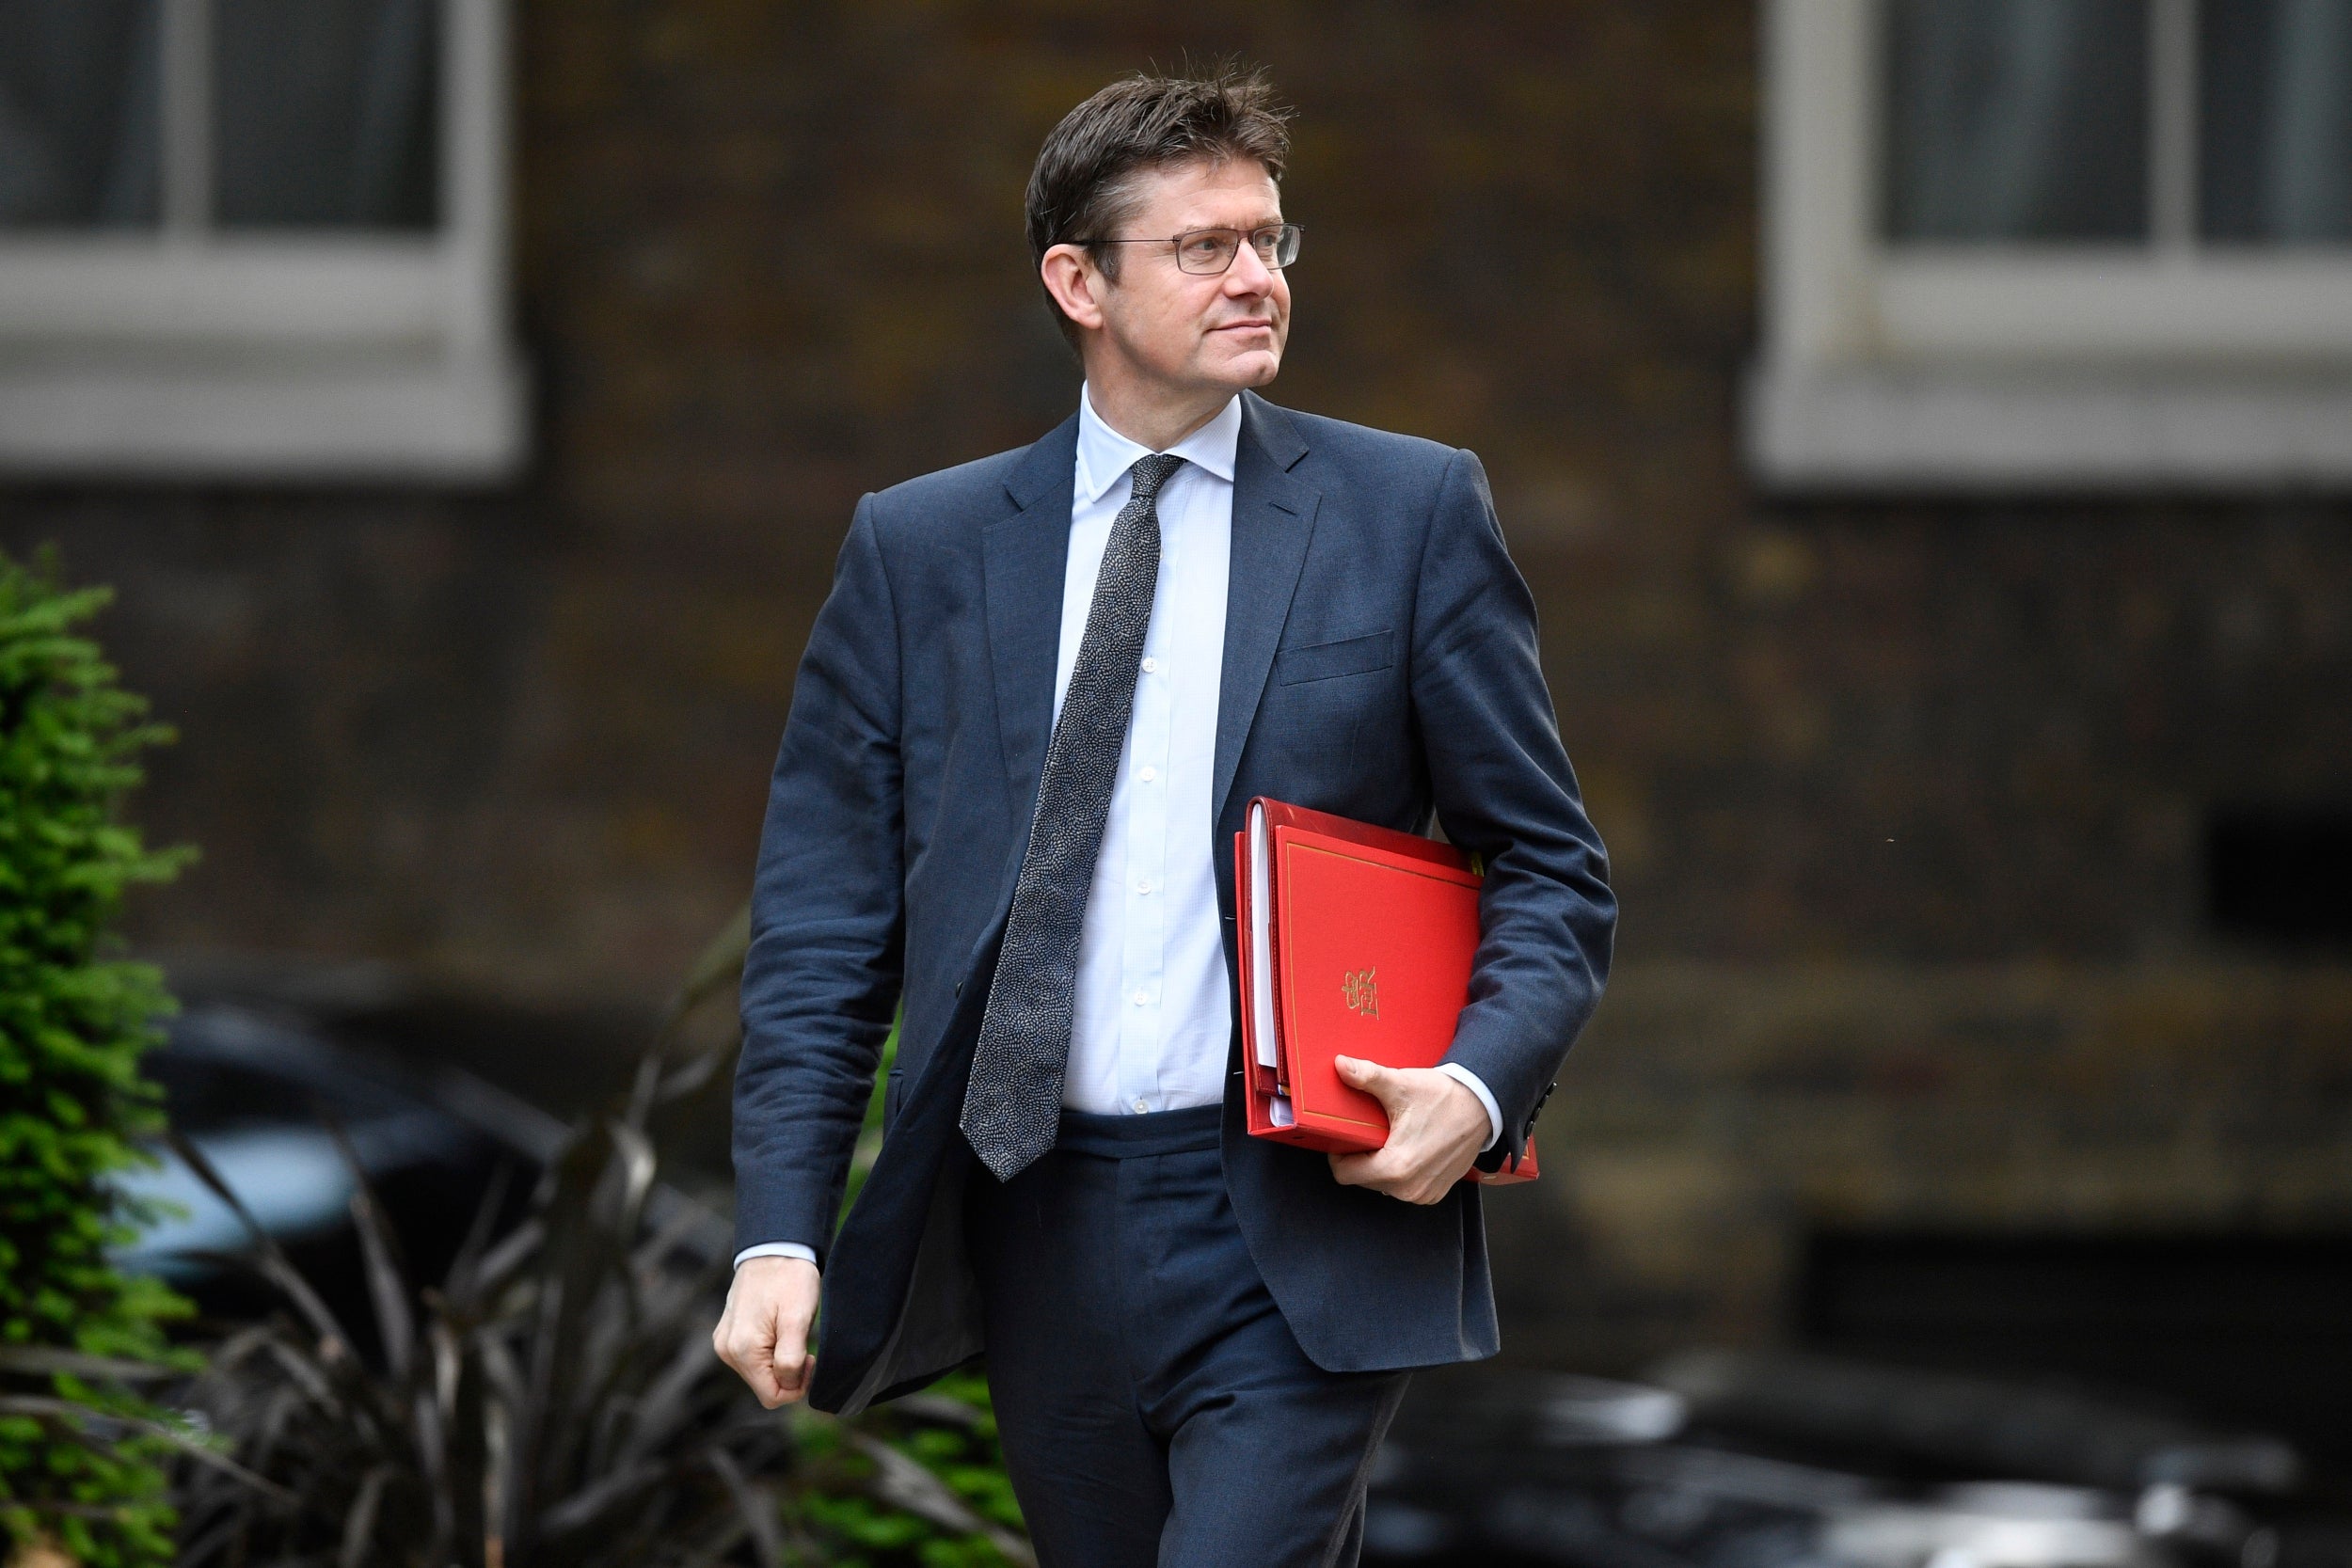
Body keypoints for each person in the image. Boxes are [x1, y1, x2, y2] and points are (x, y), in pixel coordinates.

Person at [714, 66, 1614, 1567]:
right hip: (1036, 1216)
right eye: (1206, 248)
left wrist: (1478, 1082)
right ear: (1079, 281)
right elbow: (824, 930)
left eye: (1270, 240)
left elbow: (1550, 866)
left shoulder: (1408, 514)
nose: (1257, 277)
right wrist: (779, 1231)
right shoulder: (918, 552)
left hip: (1295, 1224)